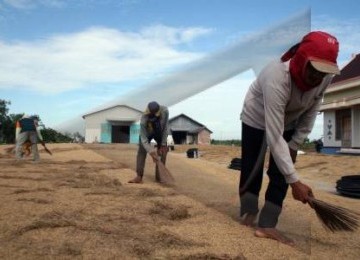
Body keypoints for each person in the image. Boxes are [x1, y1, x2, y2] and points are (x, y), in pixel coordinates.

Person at [239, 31, 340, 245]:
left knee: (280, 172)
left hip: (290, 119)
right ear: (302, 59)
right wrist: (296, 181)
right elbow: (274, 137)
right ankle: (248, 210)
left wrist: (295, 144)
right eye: (314, 71)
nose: (317, 78)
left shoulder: (325, 77)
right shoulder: (276, 75)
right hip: (256, 117)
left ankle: (267, 224)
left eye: (323, 74)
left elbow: (313, 108)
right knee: (252, 167)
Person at [129, 101, 169, 183]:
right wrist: (151, 151)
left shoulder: (165, 111)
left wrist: (163, 144)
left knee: (163, 151)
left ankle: (159, 177)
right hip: (148, 133)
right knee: (141, 151)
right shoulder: (144, 119)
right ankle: (139, 176)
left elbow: (165, 127)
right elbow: (144, 139)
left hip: (160, 132)